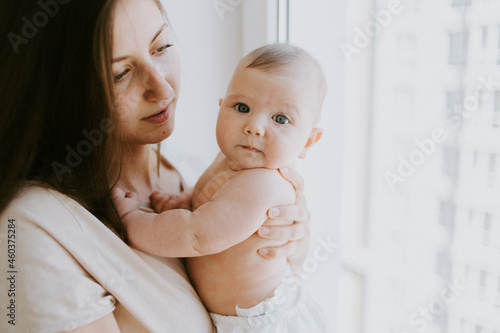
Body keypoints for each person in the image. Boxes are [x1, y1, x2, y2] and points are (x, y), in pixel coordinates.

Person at [0, 1, 311, 332]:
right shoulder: (30, 230)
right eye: (121, 73)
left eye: (162, 46)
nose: (161, 88)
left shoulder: (204, 174)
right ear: (58, 93)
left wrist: (292, 236)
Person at [113, 43, 327, 332]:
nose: (254, 126)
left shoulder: (263, 183)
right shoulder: (230, 158)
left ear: (308, 143)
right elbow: (213, 202)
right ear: (220, 107)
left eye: (280, 119)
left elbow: (196, 233)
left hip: (259, 323)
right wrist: (184, 200)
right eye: (242, 108)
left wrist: (132, 220)